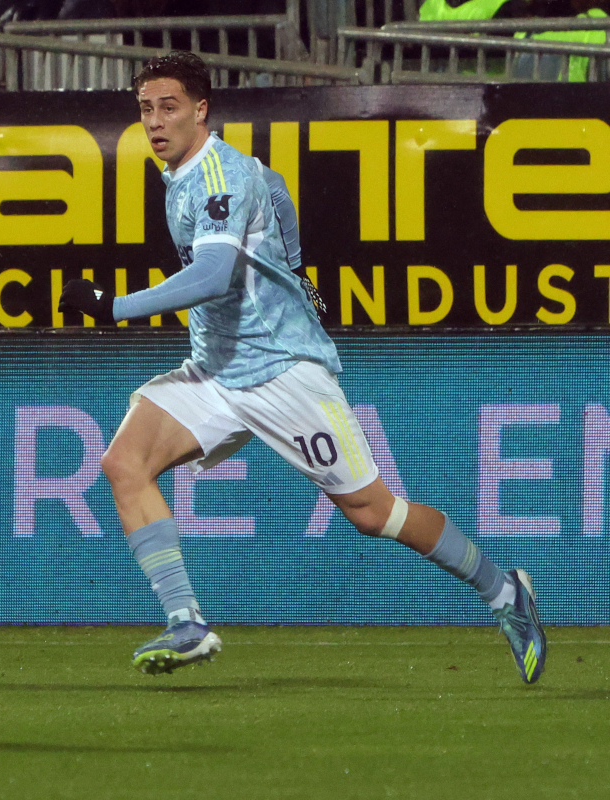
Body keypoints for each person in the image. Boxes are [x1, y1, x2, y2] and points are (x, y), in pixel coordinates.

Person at [57, 51, 547, 684]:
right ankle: (187, 622)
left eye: (169, 107)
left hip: (283, 372)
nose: (155, 121)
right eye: (146, 109)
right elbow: (280, 196)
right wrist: (298, 273)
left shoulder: (219, 176)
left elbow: (212, 276)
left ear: (201, 109)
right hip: (215, 372)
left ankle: (504, 590)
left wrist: (112, 306)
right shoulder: (203, 172)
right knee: (124, 461)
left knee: (374, 513)